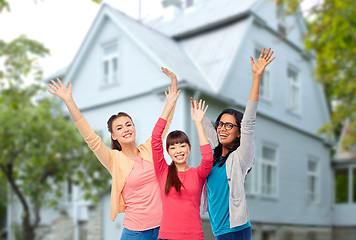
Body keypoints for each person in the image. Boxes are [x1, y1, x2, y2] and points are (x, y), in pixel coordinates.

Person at [48, 67, 178, 240]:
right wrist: (69, 100)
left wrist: (173, 89)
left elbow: (165, 124)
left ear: (134, 127)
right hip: (136, 233)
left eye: (128, 124)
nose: (126, 129)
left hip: (163, 229)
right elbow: (90, 137)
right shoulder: (114, 159)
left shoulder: (149, 148)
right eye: (119, 128)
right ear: (114, 136)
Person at [202, 48, 276, 240]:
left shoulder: (241, 157)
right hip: (219, 229)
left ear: (239, 132)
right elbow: (205, 125)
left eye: (229, 125)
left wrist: (256, 77)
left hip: (234, 230)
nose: (222, 128)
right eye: (220, 124)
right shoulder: (216, 155)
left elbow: (250, 119)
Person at [151, 84, 213, 239]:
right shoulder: (163, 171)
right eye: (172, 147)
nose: (178, 151)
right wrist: (169, 105)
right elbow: (156, 139)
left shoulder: (198, 174)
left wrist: (198, 124)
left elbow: (207, 158)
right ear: (168, 152)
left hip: (194, 236)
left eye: (182, 145)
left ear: (189, 148)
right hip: (166, 236)